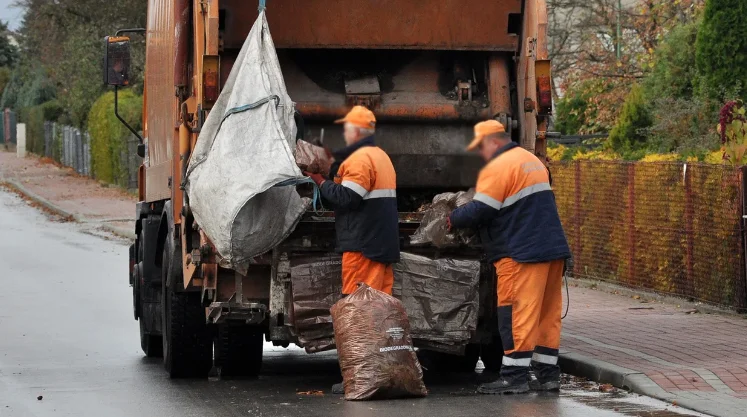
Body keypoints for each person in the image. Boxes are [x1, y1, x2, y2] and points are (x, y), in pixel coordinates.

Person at [449, 120, 570, 395]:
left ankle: (514, 376)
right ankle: (549, 375)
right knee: (546, 316)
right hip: (552, 250)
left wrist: (452, 218)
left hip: (521, 252)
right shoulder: (530, 160)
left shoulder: (498, 166)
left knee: (516, 313)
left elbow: (482, 209)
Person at [304, 106, 400, 394]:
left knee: (358, 312)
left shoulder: (359, 159)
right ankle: (380, 374)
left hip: (362, 247)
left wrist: (320, 181)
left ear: (357, 131)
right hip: (381, 245)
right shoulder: (381, 156)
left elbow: (348, 198)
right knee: (380, 313)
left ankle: (360, 377)